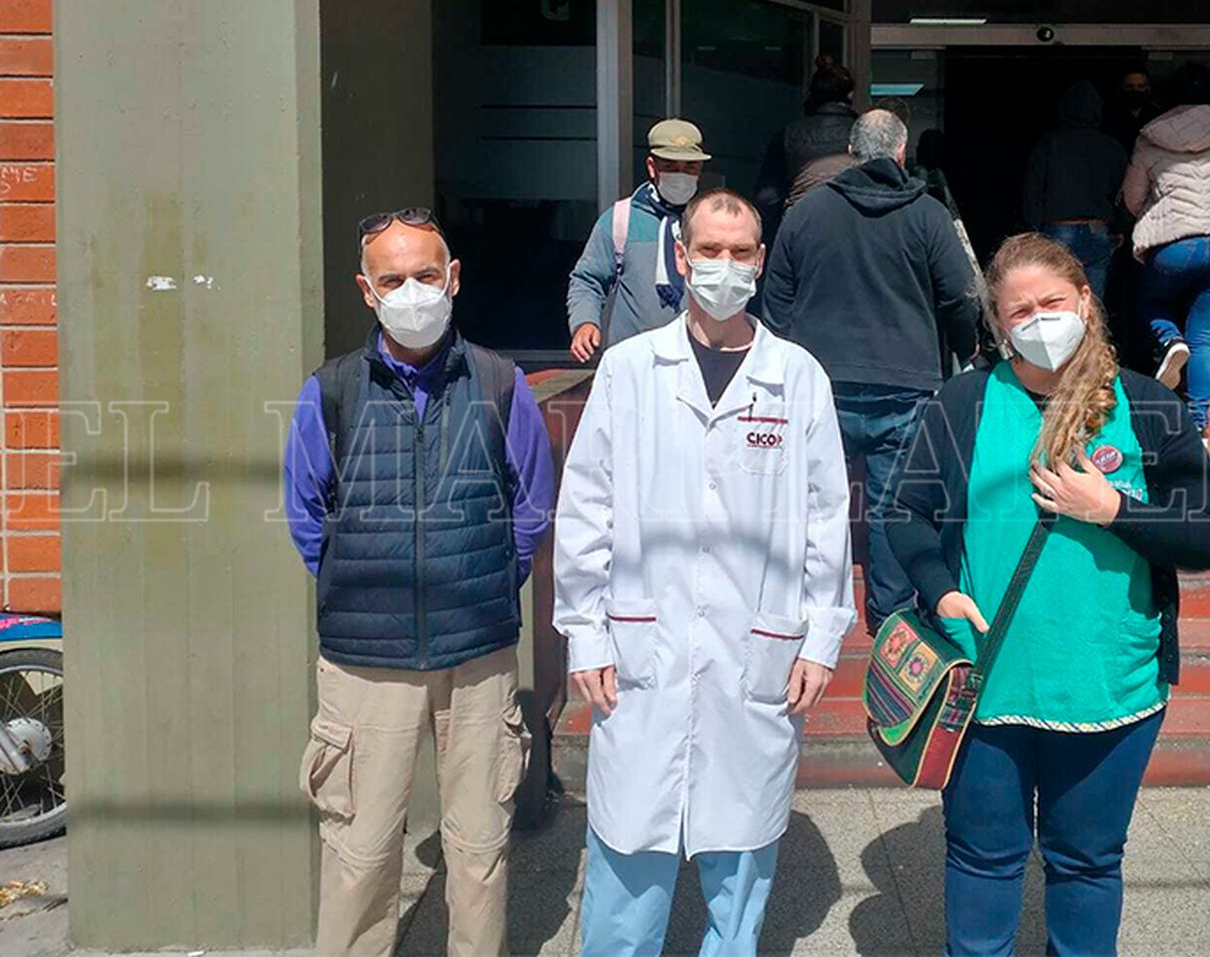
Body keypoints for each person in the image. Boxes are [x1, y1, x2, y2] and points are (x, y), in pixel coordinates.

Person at [885, 233, 1210, 956]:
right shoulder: (964, 402)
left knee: (1087, 863)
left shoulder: (1145, 404)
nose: (1039, 320)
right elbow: (905, 513)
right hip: (984, 684)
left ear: (1085, 301)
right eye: (1019, 311)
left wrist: (1114, 510)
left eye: (1052, 303)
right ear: (998, 323)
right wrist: (940, 589)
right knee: (984, 860)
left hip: (1110, 687)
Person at [553, 188, 855, 955]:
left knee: (741, 869)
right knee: (626, 859)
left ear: (761, 261)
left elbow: (827, 516)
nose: (724, 266)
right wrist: (584, 633)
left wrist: (823, 634)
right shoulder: (629, 369)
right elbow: (587, 508)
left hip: (758, 649)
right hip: (640, 647)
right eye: (709, 251)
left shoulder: (797, 376)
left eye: (741, 251)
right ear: (682, 259)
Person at [283, 208, 556, 955]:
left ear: (454, 279)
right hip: (364, 662)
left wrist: (491, 577)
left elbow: (532, 503)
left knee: (477, 848)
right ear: (365, 290)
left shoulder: (501, 384)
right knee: (360, 850)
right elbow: (306, 514)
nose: (413, 292)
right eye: (393, 279)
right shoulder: (331, 392)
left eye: (427, 276)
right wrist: (360, 584)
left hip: (478, 655)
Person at [762, 109, 978, 632]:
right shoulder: (927, 215)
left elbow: (775, 303)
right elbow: (960, 297)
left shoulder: (806, 213)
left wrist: (785, 367)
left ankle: (802, 609)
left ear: (852, 154)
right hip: (906, 384)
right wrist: (965, 353)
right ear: (901, 152)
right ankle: (890, 618)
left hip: (820, 382)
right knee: (891, 508)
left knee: (811, 501)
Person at [1123, 63, 1210, 435]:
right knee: (1205, 335)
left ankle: (1169, 339)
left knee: (1152, 305)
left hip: (1174, 245)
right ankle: (1198, 423)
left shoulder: (1150, 137)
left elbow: (1133, 198)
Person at [566, 118, 712, 362]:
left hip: (700, 359)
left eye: (690, 167)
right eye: (671, 166)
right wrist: (584, 322)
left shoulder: (712, 219)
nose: (681, 175)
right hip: (634, 362)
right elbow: (587, 279)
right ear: (652, 167)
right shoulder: (620, 220)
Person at [1023, 80, 1129, 303]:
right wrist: (1119, 227)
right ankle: (1090, 337)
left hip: (1059, 229)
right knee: (1094, 303)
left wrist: (1036, 228)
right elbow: (1122, 194)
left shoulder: (1049, 144)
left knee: (1056, 300)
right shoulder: (1111, 146)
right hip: (1098, 228)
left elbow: (1033, 191)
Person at [754, 55, 858, 239]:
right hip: (856, 227)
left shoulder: (789, 134)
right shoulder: (863, 133)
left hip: (802, 227)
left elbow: (767, 197)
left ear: (811, 94)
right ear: (850, 95)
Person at [1103, 67, 1161, 150]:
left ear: (1148, 89)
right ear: (1120, 88)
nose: (1135, 90)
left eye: (1140, 86)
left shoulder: (1157, 114)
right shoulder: (1107, 113)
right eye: (1129, 86)